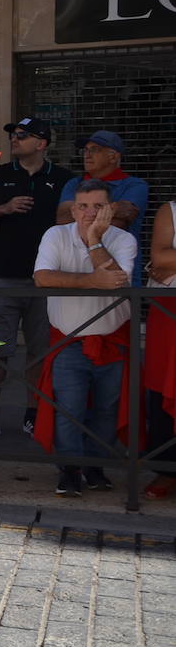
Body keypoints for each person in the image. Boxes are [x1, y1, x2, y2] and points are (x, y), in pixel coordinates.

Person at [0, 117, 73, 442]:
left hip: (46, 279)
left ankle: (33, 413)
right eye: (13, 134)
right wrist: (5, 207)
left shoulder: (63, 178)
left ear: (41, 143)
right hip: (3, 276)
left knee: (39, 351)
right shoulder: (0, 175)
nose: (15, 139)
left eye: (23, 135)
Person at [33, 179, 136, 497]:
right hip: (69, 340)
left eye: (98, 206)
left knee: (106, 409)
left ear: (111, 209)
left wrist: (93, 241)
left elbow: (117, 280)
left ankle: (95, 466)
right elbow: (42, 277)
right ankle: (70, 470)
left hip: (111, 340)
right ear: (72, 208)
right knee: (69, 409)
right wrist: (92, 280)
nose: (89, 212)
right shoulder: (55, 234)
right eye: (83, 206)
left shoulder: (124, 239)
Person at [56, 130, 148, 285]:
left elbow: (125, 217)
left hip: (119, 269)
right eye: (85, 150)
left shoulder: (135, 185)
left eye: (94, 150)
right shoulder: (73, 183)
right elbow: (63, 218)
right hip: (74, 272)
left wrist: (81, 213)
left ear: (113, 156)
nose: (87, 154)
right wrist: (109, 213)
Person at [142, 198, 176, 499]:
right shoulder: (171, 210)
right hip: (169, 314)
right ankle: (168, 471)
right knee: (164, 385)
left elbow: (168, 261)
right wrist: (165, 261)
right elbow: (160, 257)